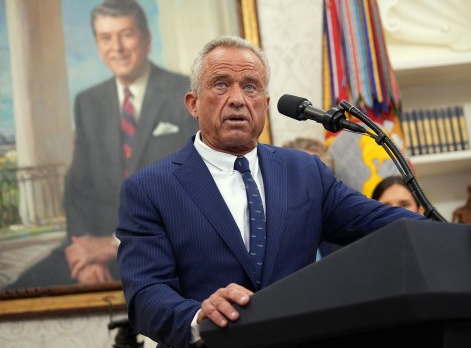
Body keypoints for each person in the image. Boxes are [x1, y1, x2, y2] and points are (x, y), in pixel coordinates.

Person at [116, 35, 428, 348]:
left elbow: (386, 224)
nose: (238, 99)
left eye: (250, 86)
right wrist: (199, 317)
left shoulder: (306, 172)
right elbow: (146, 295)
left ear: (265, 104)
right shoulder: (149, 189)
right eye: (221, 84)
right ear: (193, 103)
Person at [11, 0, 198, 288]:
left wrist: (112, 246)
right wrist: (85, 255)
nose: (117, 48)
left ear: (146, 40)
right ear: (98, 46)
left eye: (126, 35)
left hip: (167, 249)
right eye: (106, 38)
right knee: (18, 290)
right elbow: (78, 189)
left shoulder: (185, 93)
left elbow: (196, 191)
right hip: (96, 248)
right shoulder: (88, 102)